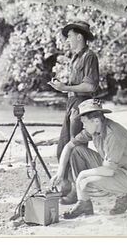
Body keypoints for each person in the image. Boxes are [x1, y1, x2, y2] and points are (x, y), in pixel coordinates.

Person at [50, 99, 127, 218]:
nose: (83, 126)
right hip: (112, 167)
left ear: (96, 120)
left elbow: (108, 171)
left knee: (86, 182)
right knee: (77, 151)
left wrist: (83, 175)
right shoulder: (94, 128)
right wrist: (60, 174)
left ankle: (123, 194)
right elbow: (68, 146)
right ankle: (84, 203)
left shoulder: (113, 135)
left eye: (85, 123)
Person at [48, 21, 100, 197]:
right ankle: (68, 187)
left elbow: (90, 86)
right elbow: (77, 84)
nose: (67, 40)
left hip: (82, 107)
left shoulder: (89, 56)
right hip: (72, 105)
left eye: (69, 36)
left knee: (75, 149)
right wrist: (62, 87)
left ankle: (76, 193)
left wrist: (65, 88)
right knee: (62, 147)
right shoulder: (76, 57)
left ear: (80, 36)